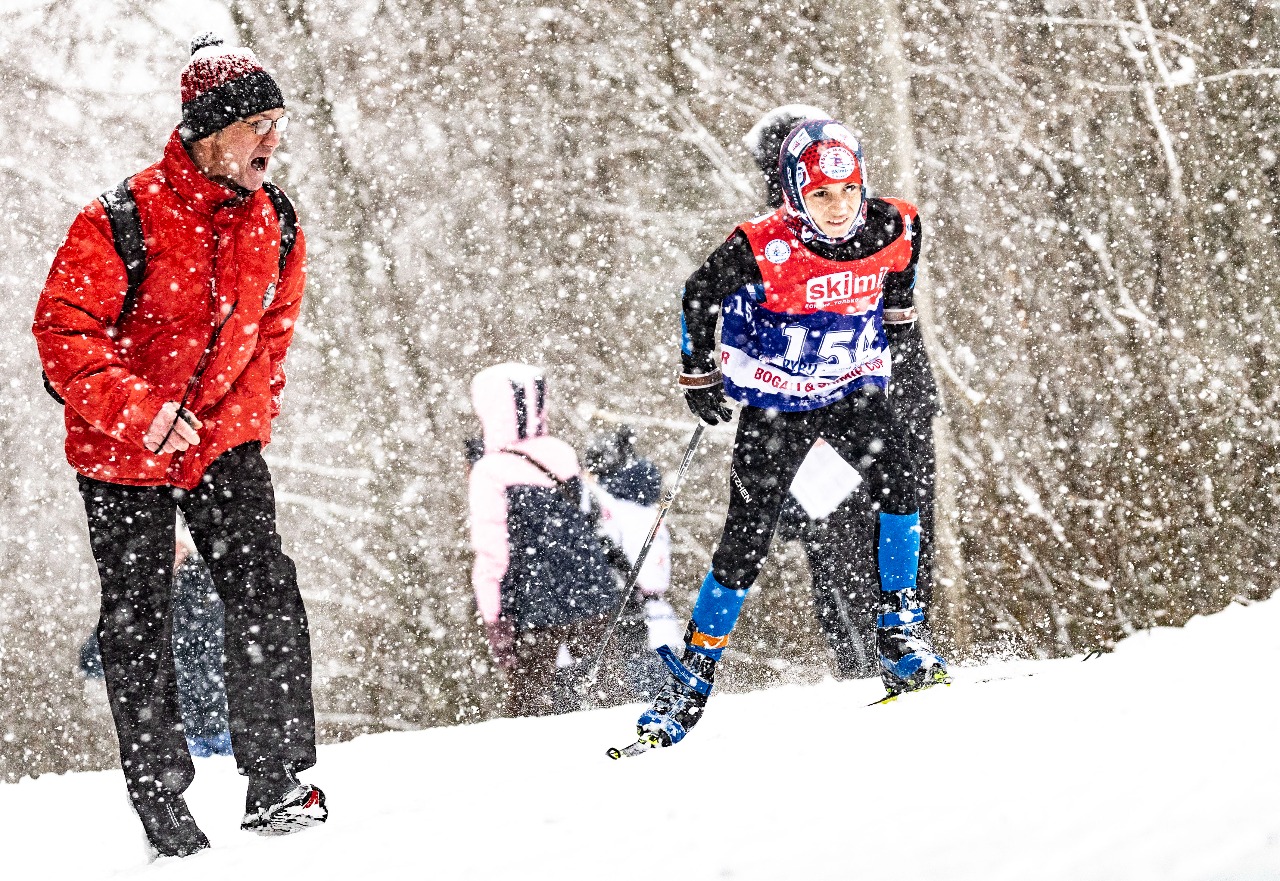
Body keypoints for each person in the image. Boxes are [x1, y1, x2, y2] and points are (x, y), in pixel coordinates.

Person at [33, 33, 325, 857]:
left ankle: (276, 782)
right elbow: (63, 336)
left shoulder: (279, 221)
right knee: (139, 618)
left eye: (278, 122)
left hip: (219, 440)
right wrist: (142, 413)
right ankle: (163, 802)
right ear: (207, 132)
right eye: (256, 124)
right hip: (120, 450)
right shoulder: (119, 217)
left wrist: (239, 425)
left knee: (266, 589)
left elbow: (271, 336)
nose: (272, 139)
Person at [634, 116, 949, 749]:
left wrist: (900, 327)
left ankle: (900, 628)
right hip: (779, 403)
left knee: (901, 483)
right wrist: (698, 374)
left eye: (848, 192)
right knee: (745, 536)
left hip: (853, 388)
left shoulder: (895, 224)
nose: (838, 209)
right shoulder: (762, 243)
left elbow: (901, 275)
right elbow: (698, 294)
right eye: (822, 195)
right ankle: (692, 678)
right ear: (795, 193)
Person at [748, 106, 944, 681]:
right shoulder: (855, 220)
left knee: (847, 546)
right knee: (894, 535)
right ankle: (897, 647)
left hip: (849, 410)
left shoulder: (794, 238)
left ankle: (877, 656)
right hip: (886, 405)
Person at [468, 363, 619, 716]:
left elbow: (493, 553)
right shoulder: (562, 454)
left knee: (529, 701)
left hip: (533, 599)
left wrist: (493, 616)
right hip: (589, 587)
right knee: (606, 692)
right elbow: (591, 519)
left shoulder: (489, 471)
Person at [80, 528, 234, 757]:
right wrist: (92, 663)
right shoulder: (142, 589)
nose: (171, 554)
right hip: (179, 718)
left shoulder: (210, 584)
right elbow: (115, 631)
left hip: (221, 712)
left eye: (177, 547)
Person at [582, 426, 684, 698]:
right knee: (672, 705)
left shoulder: (612, 511)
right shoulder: (650, 512)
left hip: (633, 625)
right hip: (664, 624)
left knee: (637, 709)